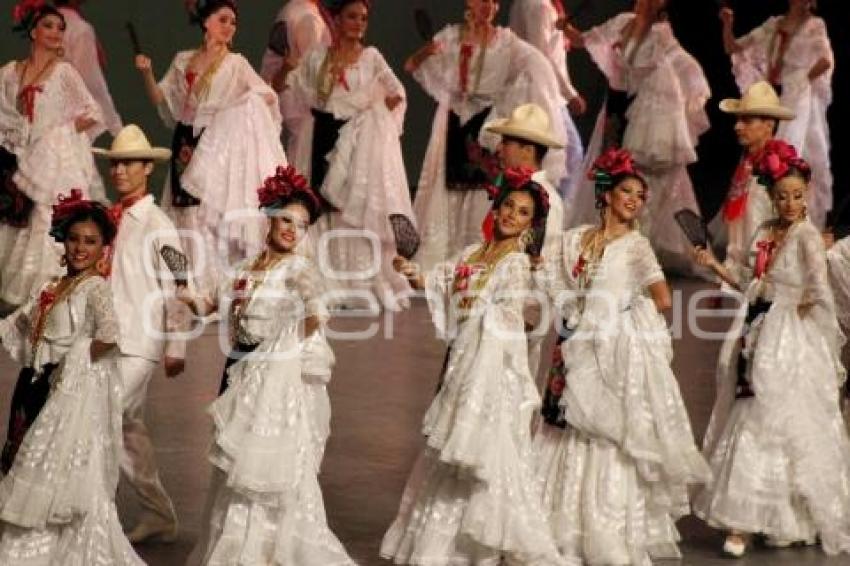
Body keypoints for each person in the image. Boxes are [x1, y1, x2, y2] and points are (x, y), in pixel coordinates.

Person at [532, 147, 710, 565]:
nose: (634, 199)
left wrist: (619, 315)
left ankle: (600, 528)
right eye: (627, 191)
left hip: (609, 351)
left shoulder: (636, 246)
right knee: (564, 427)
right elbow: (551, 276)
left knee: (602, 433)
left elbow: (663, 299)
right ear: (607, 193)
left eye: (639, 195)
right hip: (571, 341)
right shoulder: (577, 239)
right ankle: (558, 524)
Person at [381, 173, 567, 565]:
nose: (512, 216)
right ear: (496, 209)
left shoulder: (516, 265)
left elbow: (511, 318)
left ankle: (477, 549)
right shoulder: (471, 255)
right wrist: (412, 272)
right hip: (462, 363)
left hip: (491, 371)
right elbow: (438, 283)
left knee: (484, 450)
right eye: (509, 207)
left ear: (531, 224)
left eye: (523, 213)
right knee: (450, 452)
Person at [181, 165, 355, 565]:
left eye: (302, 225)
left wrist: (286, 343)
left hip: (275, 377)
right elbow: (207, 305)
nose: (293, 230)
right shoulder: (244, 270)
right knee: (235, 462)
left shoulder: (299, 268)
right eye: (285, 220)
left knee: (266, 465)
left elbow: (316, 316)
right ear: (269, 219)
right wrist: (181, 289)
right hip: (237, 367)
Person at [693, 140, 850, 557]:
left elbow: (818, 287)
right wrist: (714, 267)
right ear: (771, 197)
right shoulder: (765, 233)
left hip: (790, 337)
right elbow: (749, 282)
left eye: (798, 196)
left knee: (778, 420)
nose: (790, 203)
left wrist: (799, 305)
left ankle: (775, 518)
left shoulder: (806, 236)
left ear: (807, 196)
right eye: (782, 196)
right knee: (750, 413)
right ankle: (747, 518)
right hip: (758, 328)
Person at [0, 191, 143, 565]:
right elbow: (17, 325)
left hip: (63, 390)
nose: (80, 248)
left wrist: (73, 366)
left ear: (103, 249)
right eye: (74, 238)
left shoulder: (94, 288)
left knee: (54, 472)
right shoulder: (51, 285)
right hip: (32, 386)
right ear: (63, 239)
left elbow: (110, 337)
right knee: (19, 461)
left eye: (90, 241)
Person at [135, 0, 286, 296]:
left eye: (233, 22)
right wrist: (146, 72)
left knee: (205, 212)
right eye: (223, 19)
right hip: (186, 139)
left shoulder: (236, 64)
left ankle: (209, 288)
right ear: (206, 22)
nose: (229, 27)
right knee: (183, 209)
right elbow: (161, 100)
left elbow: (266, 96)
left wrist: (237, 113)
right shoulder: (184, 60)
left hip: (217, 142)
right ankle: (183, 284)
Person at [406, 0, 566, 271]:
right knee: (448, 188)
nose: (488, 6)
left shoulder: (506, 42)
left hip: (486, 121)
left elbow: (537, 63)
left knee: (484, 186)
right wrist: (428, 51)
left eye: (493, 1)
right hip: (455, 119)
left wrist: (554, 94)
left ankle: (479, 255)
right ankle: (444, 260)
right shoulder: (451, 35)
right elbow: (412, 65)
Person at [91, 124, 189, 544]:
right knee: (127, 429)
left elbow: (178, 285)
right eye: (114, 163)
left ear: (148, 167)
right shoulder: (110, 218)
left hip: (139, 342)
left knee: (100, 420)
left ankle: (96, 518)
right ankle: (158, 514)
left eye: (128, 162)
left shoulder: (157, 223)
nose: (119, 171)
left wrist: (177, 345)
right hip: (106, 340)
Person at [560, 0, 710, 271]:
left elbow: (682, 63)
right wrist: (566, 28)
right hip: (617, 107)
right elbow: (584, 41)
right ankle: (603, 237)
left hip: (641, 111)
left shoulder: (660, 33)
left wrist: (691, 91)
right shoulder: (623, 21)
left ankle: (634, 243)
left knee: (637, 176)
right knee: (607, 171)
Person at [287, 0, 414, 311]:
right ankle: (326, 282)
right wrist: (285, 71)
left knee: (350, 209)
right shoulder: (319, 56)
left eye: (364, 18)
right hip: (322, 133)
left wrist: (374, 118)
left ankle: (355, 282)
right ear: (337, 20)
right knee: (322, 206)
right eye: (352, 17)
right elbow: (296, 87)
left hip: (355, 140)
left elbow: (397, 93)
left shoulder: (371, 58)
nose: (359, 23)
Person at [0, 2, 104, 312]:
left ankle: (46, 301)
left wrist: (59, 134)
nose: (57, 32)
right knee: (13, 226)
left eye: (61, 27)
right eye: (49, 26)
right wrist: (17, 137)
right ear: (33, 31)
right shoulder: (9, 72)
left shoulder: (63, 72)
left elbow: (93, 112)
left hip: (51, 165)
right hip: (15, 159)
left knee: (44, 224)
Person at [720, 0, 834, 228]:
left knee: (788, 151)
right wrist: (727, 25)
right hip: (776, 95)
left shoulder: (814, 25)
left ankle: (791, 221)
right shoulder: (774, 24)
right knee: (762, 151)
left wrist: (802, 80)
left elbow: (825, 60)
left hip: (799, 96)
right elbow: (734, 48)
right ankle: (758, 221)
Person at [484, 102, 565, 382]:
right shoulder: (512, 192)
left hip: (516, 318)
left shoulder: (545, 200)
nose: (499, 150)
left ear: (528, 150)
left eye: (506, 143)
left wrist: (528, 318)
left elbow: (544, 262)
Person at [711, 81, 795, 287]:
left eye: (747, 120)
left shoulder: (781, 167)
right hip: (744, 273)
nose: (737, 126)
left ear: (769, 125)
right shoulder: (747, 165)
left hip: (769, 275)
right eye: (738, 120)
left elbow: (791, 221)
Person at [508, 0, 586, 200]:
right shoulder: (538, 6)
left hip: (539, 90)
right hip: (542, 91)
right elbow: (543, 56)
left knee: (554, 156)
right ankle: (559, 214)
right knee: (568, 154)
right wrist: (570, 94)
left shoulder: (534, 4)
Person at [259, 0, 333, 155]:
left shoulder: (297, 10)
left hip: (292, 99)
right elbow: (314, 72)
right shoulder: (305, 16)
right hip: (302, 104)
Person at [55, 0, 123, 137]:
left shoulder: (45, 24)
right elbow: (92, 85)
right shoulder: (79, 29)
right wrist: (118, 130)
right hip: (73, 123)